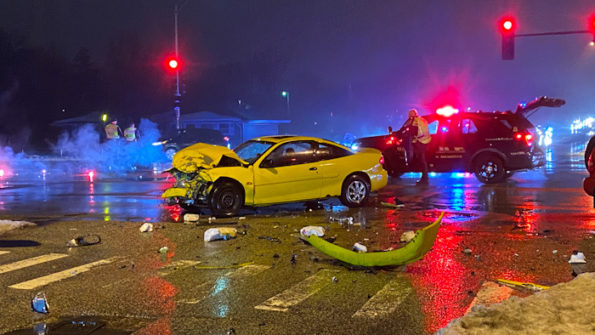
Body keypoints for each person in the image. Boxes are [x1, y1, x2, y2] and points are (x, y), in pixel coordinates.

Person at [400, 109, 431, 184]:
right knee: (422, 160)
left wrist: (401, 134)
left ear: (412, 115)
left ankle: (424, 178)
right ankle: (424, 177)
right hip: (426, 141)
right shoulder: (422, 119)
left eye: (409, 115)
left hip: (420, 142)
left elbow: (411, 131)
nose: (409, 117)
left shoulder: (414, 121)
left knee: (421, 160)